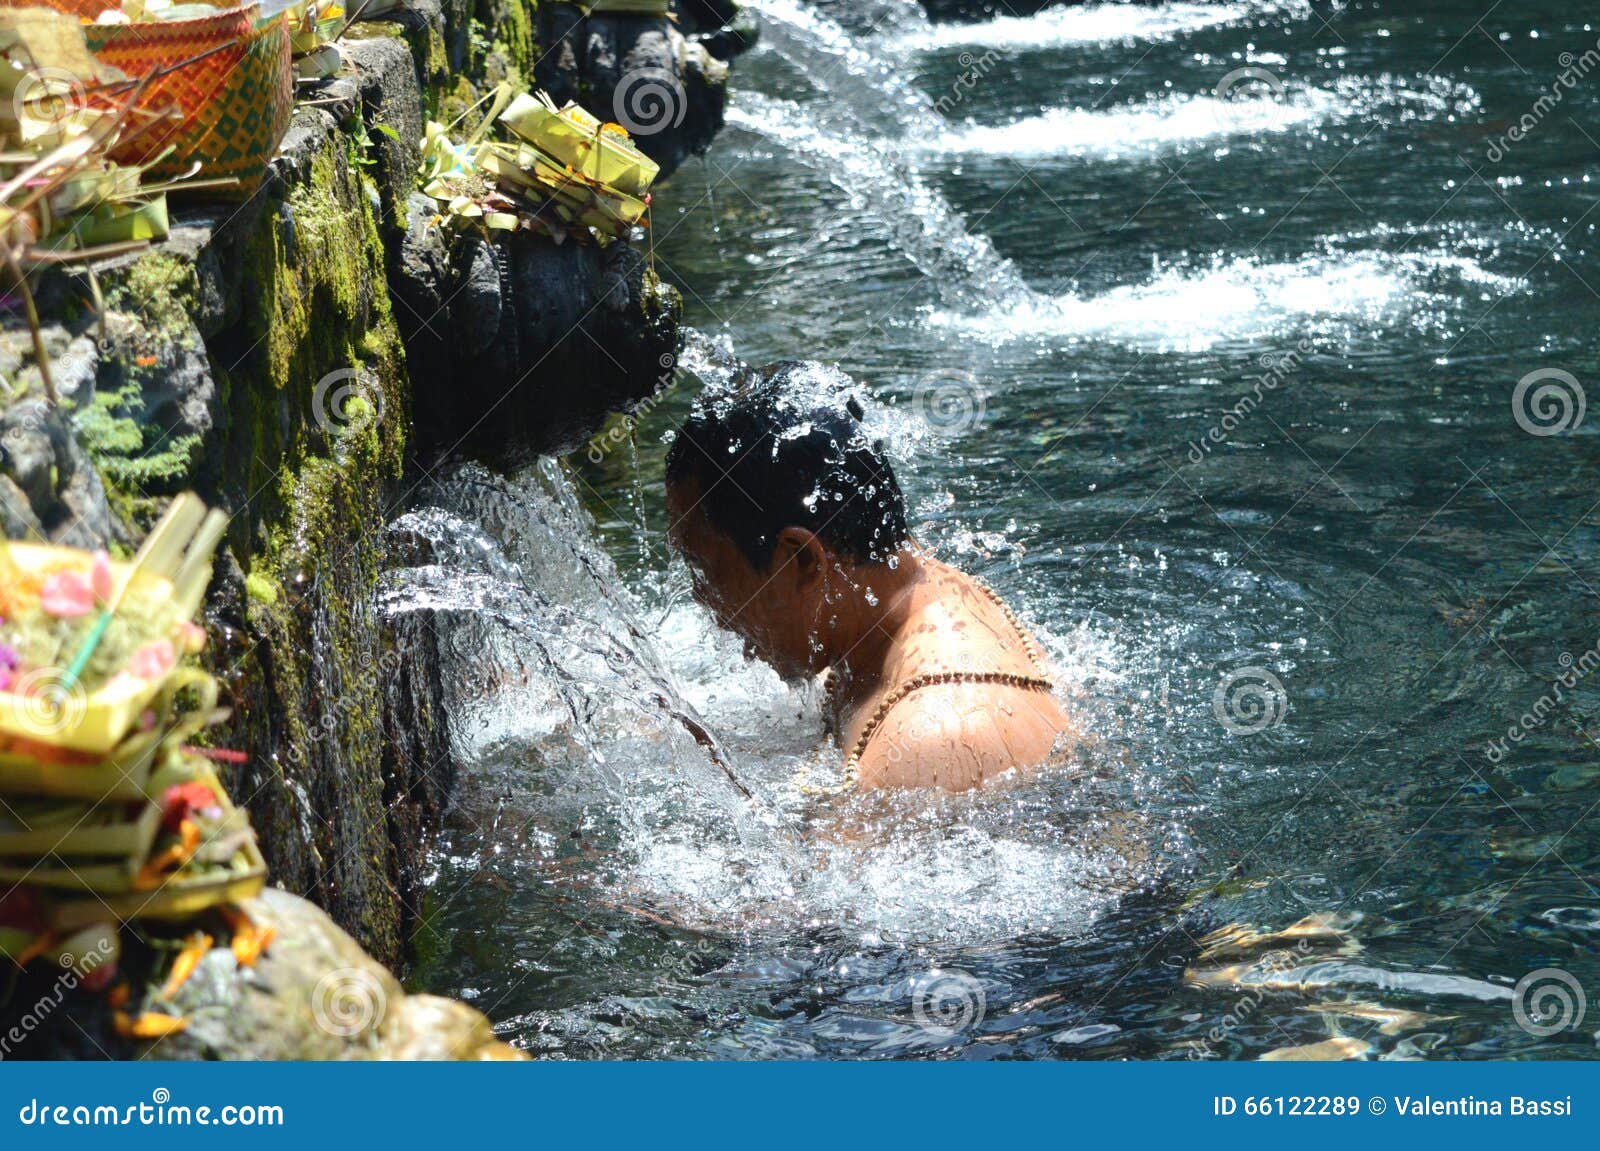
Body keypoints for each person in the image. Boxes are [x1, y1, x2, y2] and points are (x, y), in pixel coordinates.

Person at [664, 361, 1073, 791]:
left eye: (707, 572)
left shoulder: (936, 740)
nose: (703, 600)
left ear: (802, 560)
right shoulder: (900, 609)